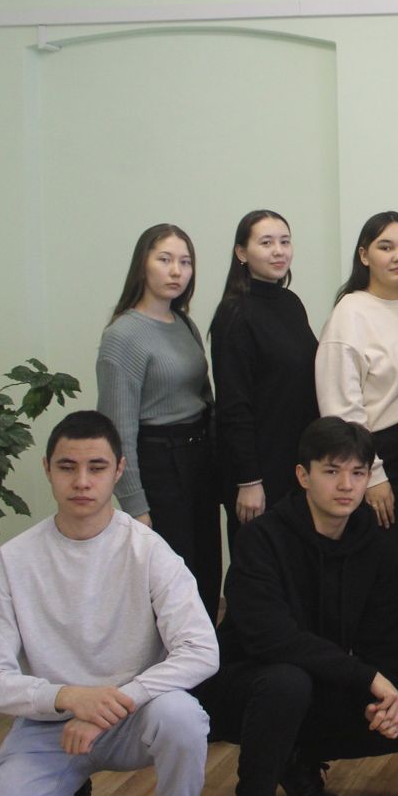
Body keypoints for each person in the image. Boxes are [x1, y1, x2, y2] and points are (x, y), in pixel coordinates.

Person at [0, 410, 218, 796]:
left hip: (136, 717)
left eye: (96, 467)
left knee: (183, 717)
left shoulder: (149, 550)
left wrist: (111, 704)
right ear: (47, 469)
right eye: (67, 467)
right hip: (51, 726)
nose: (82, 482)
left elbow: (202, 650)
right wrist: (68, 697)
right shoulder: (13, 562)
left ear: (119, 470)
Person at [195, 417, 398, 796]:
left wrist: (390, 695)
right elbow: (270, 638)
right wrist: (366, 677)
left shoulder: (376, 546)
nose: (346, 485)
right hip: (242, 688)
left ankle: (296, 758)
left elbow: (386, 640)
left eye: (357, 473)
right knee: (286, 683)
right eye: (331, 471)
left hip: (314, 682)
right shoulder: (261, 538)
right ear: (303, 476)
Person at [316, 211, 398, 638]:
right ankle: (384, 670)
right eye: (386, 247)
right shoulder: (351, 312)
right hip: (378, 454)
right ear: (364, 255)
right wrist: (371, 473)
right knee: (387, 574)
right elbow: (340, 406)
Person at [97, 222, 223, 619]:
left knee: (206, 569)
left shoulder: (184, 323)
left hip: (198, 459)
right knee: (171, 580)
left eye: (185, 262)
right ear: (143, 264)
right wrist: (136, 505)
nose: (176, 271)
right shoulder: (123, 335)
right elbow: (118, 428)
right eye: (165, 260)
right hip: (158, 464)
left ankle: (204, 655)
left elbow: (204, 396)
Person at [209, 209, 320, 529]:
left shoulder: (290, 303)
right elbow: (233, 404)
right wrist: (249, 480)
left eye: (285, 242)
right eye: (266, 242)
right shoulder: (234, 313)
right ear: (241, 253)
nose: (278, 251)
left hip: (296, 461)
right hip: (258, 470)